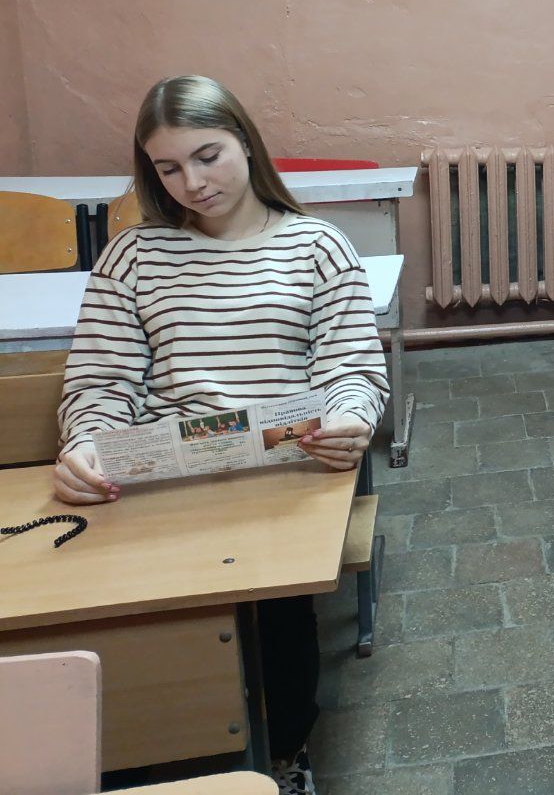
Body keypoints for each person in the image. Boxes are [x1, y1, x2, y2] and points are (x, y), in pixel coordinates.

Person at [54, 75, 390, 795]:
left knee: (272, 615)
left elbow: (351, 368)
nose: (193, 183)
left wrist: (350, 417)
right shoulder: (133, 257)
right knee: (134, 615)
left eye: (207, 156)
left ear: (246, 142)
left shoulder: (317, 247)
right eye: (168, 168)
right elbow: (101, 382)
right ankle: (150, 754)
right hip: (166, 482)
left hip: (282, 479)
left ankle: (284, 751)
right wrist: (85, 443)